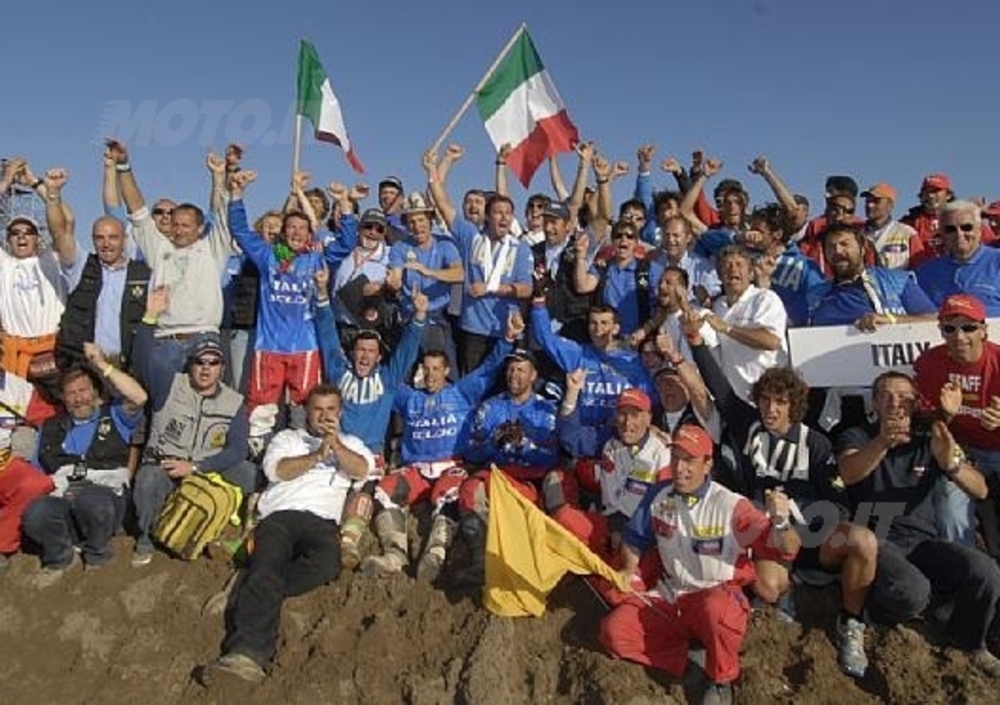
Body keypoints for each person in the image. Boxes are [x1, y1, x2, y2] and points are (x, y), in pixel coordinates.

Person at [688, 322, 876, 678]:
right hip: (770, 539)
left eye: (780, 402)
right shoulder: (748, 426)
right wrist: (695, 341)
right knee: (768, 587)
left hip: (812, 536)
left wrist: (795, 512)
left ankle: (851, 622)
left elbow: (840, 506)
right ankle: (787, 589)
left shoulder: (815, 443)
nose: (771, 409)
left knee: (863, 540)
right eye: (765, 400)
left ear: (794, 405)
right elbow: (719, 386)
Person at [600, 425, 800, 705]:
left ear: (707, 465)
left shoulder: (731, 506)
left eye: (689, 461)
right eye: (675, 458)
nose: (680, 468)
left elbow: (787, 548)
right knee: (614, 632)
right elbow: (634, 540)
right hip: (673, 595)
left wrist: (781, 522)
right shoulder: (659, 495)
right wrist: (627, 570)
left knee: (717, 610)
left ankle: (721, 679)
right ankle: (689, 659)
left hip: (716, 595)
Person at [200, 383, 375, 685]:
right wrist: (317, 456)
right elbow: (276, 471)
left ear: (340, 412)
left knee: (326, 565)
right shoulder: (287, 438)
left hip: (321, 521)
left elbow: (361, 470)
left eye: (331, 409)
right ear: (306, 411)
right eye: (318, 409)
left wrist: (335, 445)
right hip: (279, 517)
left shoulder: (352, 443)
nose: (324, 416)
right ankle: (245, 655)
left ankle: (253, 587)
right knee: (268, 564)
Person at [837, 371, 1000, 678]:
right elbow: (847, 472)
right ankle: (867, 613)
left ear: (915, 404)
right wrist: (882, 442)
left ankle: (969, 643)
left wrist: (951, 464)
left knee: (985, 571)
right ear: (874, 402)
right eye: (886, 395)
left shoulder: (928, 439)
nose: (895, 402)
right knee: (912, 591)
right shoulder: (857, 435)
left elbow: (980, 490)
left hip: (923, 542)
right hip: (876, 540)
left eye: (904, 397)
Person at [360, 311, 521, 580]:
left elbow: (489, 368)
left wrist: (507, 339)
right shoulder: (409, 397)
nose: (430, 375)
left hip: (451, 466)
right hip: (417, 470)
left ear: (446, 371)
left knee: (449, 494)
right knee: (386, 489)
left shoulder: (461, 392)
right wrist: (369, 357)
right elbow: (386, 379)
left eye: (436, 369)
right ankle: (394, 555)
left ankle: (435, 555)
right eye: (426, 369)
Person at [129, 289, 258, 566]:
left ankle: (230, 527)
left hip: (205, 468)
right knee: (148, 480)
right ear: (190, 365)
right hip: (167, 464)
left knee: (250, 474)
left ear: (222, 368)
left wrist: (198, 467)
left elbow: (237, 449)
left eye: (213, 362)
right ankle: (147, 537)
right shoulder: (168, 385)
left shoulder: (234, 402)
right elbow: (141, 360)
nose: (206, 368)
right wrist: (150, 317)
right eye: (199, 361)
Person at [314, 265, 427, 569]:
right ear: (353, 353)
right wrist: (322, 293)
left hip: (371, 455)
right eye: (360, 350)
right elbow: (327, 335)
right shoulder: (338, 372)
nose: (364, 356)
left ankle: (349, 543)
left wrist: (418, 316)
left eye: (370, 351)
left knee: (367, 493)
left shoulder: (388, 378)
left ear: (379, 356)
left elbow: (407, 350)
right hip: (337, 448)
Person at [112, 143, 234, 393]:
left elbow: (223, 213)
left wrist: (218, 176)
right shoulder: (159, 248)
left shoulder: (212, 248)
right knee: (162, 406)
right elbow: (136, 209)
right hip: (165, 341)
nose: (178, 230)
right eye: (175, 224)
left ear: (200, 228)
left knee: (203, 405)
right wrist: (123, 166)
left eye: (185, 225)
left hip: (204, 338)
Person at [23, 343, 147, 584]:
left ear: (95, 391)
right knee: (36, 512)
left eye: (83, 390)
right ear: (63, 397)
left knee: (91, 501)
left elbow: (139, 397)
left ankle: (97, 556)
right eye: (71, 393)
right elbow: (37, 476)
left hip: (105, 499)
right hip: (65, 497)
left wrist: (101, 364)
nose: (79, 398)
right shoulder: (49, 428)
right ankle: (60, 558)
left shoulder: (115, 415)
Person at [545, 383, 672, 605]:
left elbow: (665, 516)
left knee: (616, 593)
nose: (628, 422)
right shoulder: (610, 445)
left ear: (649, 419)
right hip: (611, 527)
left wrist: (628, 536)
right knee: (563, 519)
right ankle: (600, 567)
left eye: (635, 415)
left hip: (644, 542)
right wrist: (572, 393)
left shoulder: (662, 455)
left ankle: (611, 573)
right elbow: (572, 438)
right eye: (623, 414)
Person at [227, 169, 325, 452]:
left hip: (304, 347)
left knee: (307, 409)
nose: (296, 232)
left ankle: (305, 458)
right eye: (291, 227)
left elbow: (341, 239)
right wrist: (237, 194)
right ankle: (259, 461)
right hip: (269, 346)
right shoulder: (268, 255)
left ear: (309, 234)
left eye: (302, 228)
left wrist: (340, 205)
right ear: (283, 232)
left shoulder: (314, 258)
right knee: (260, 411)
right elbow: (241, 231)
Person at [453, 348, 561, 586]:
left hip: (529, 482)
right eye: (511, 369)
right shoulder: (489, 407)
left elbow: (553, 458)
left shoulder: (547, 410)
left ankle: (551, 561)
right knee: (470, 489)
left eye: (521, 370)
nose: (514, 375)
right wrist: (494, 441)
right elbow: (470, 452)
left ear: (533, 375)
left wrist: (523, 444)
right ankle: (482, 561)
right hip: (497, 476)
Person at [424, 145, 534, 373]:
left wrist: (491, 288)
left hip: (506, 329)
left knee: (502, 387)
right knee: (473, 385)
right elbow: (443, 203)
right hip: (472, 330)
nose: (504, 217)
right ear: (488, 217)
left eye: (508, 213)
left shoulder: (520, 248)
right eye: (498, 212)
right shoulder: (471, 236)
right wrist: (432, 170)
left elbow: (526, 289)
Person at [913, 294, 1000, 549]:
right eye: (950, 329)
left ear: (983, 330)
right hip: (959, 451)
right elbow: (922, 426)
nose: (959, 337)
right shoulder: (929, 363)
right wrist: (945, 414)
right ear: (941, 331)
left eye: (968, 328)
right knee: (950, 512)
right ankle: (965, 567)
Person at [806, 223, 937, 329]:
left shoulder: (897, 282)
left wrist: (891, 320)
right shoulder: (813, 297)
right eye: (831, 246)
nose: (838, 251)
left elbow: (933, 319)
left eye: (844, 244)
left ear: (863, 248)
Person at [916, 200, 1000, 316]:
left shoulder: (997, 262)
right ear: (941, 234)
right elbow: (917, 315)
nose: (959, 234)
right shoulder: (925, 272)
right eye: (950, 229)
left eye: (966, 227)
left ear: (980, 230)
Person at [860, 182, 916, 269]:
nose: (869, 205)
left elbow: (920, 267)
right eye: (868, 201)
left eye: (876, 201)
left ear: (890, 205)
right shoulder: (857, 233)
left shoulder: (907, 233)